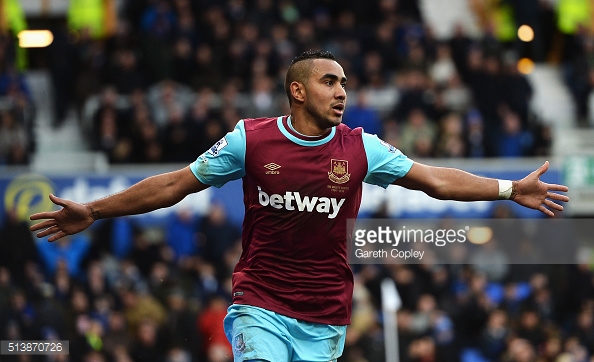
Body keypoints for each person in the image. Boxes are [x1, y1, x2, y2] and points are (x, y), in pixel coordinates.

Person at [30, 50, 569, 362]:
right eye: (329, 81)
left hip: (326, 316)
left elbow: (434, 180)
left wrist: (506, 189)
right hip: (259, 303)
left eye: (345, 84)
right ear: (297, 91)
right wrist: (95, 211)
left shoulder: (362, 147)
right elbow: (175, 184)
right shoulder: (250, 140)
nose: (342, 92)